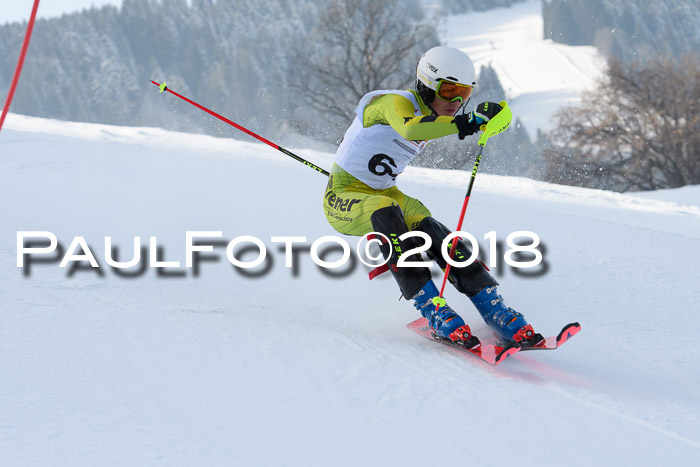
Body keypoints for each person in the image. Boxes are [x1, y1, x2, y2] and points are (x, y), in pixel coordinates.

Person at [322, 45, 543, 348]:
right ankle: (431, 308)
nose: (456, 101)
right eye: (449, 90)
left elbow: (432, 126)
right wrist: (468, 122)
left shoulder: (436, 116)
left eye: (464, 93)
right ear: (426, 84)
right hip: (342, 197)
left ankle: (492, 306)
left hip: (384, 193)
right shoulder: (393, 104)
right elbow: (410, 129)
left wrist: (491, 118)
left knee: (431, 228)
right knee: (387, 209)